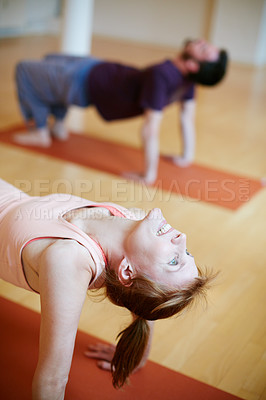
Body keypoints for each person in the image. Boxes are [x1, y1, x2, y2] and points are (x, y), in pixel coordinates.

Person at [0, 178, 215, 398]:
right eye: (186, 254)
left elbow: (53, 380)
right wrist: (139, 352)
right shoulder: (131, 218)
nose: (182, 238)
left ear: (127, 272)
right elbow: (145, 292)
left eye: (173, 261)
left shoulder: (70, 259)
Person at [14, 39, 228, 184]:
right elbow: (186, 119)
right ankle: (58, 125)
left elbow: (150, 128)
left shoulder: (162, 75)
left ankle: (39, 130)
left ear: (192, 65)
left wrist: (148, 175)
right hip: (96, 68)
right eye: (205, 44)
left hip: (83, 82)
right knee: (49, 58)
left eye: (202, 48)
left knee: (24, 69)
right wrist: (186, 157)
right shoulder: (187, 82)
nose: (200, 40)